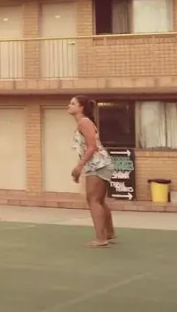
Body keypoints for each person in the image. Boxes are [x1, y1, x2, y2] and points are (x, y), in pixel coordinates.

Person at [68, 95, 116, 248]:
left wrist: (79, 166)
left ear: (81, 107)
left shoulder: (84, 122)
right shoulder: (82, 123)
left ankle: (101, 239)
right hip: (96, 164)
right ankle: (109, 233)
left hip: (98, 165)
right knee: (99, 200)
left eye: (73, 103)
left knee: (93, 200)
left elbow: (92, 147)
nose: (69, 105)